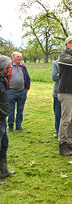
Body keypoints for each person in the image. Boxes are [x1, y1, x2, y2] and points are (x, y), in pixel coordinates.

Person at [0, 56, 15, 185]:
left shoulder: (3, 79)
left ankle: (4, 171)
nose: (10, 69)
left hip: (2, 119)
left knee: (4, 144)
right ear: (4, 68)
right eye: (9, 67)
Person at [7, 52, 30, 132]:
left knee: (20, 110)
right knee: (11, 110)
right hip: (11, 92)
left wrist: (26, 89)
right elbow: (4, 78)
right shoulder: (9, 67)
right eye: (17, 57)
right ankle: (10, 126)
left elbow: (27, 78)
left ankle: (18, 125)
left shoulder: (23, 67)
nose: (19, 58)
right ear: (13, 57)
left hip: (21, 92)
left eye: (20, 57)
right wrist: (6, 90)